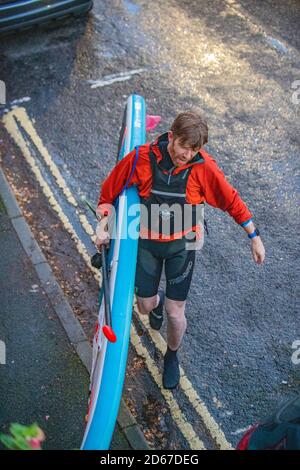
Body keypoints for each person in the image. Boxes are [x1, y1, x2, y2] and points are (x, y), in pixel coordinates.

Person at [95, 112, 265, 390]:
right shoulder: (141, 158)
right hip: (147, 244)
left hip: (182, 247)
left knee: (176, 314)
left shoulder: (204, 168)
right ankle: (157, 301)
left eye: (194, 149)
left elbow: (231, 199)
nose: (186, 154)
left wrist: (254, 236)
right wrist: (103, 224)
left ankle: (172, 355)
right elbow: (109, 192)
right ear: (171, 136)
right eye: (183, 145)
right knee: (144, 306)